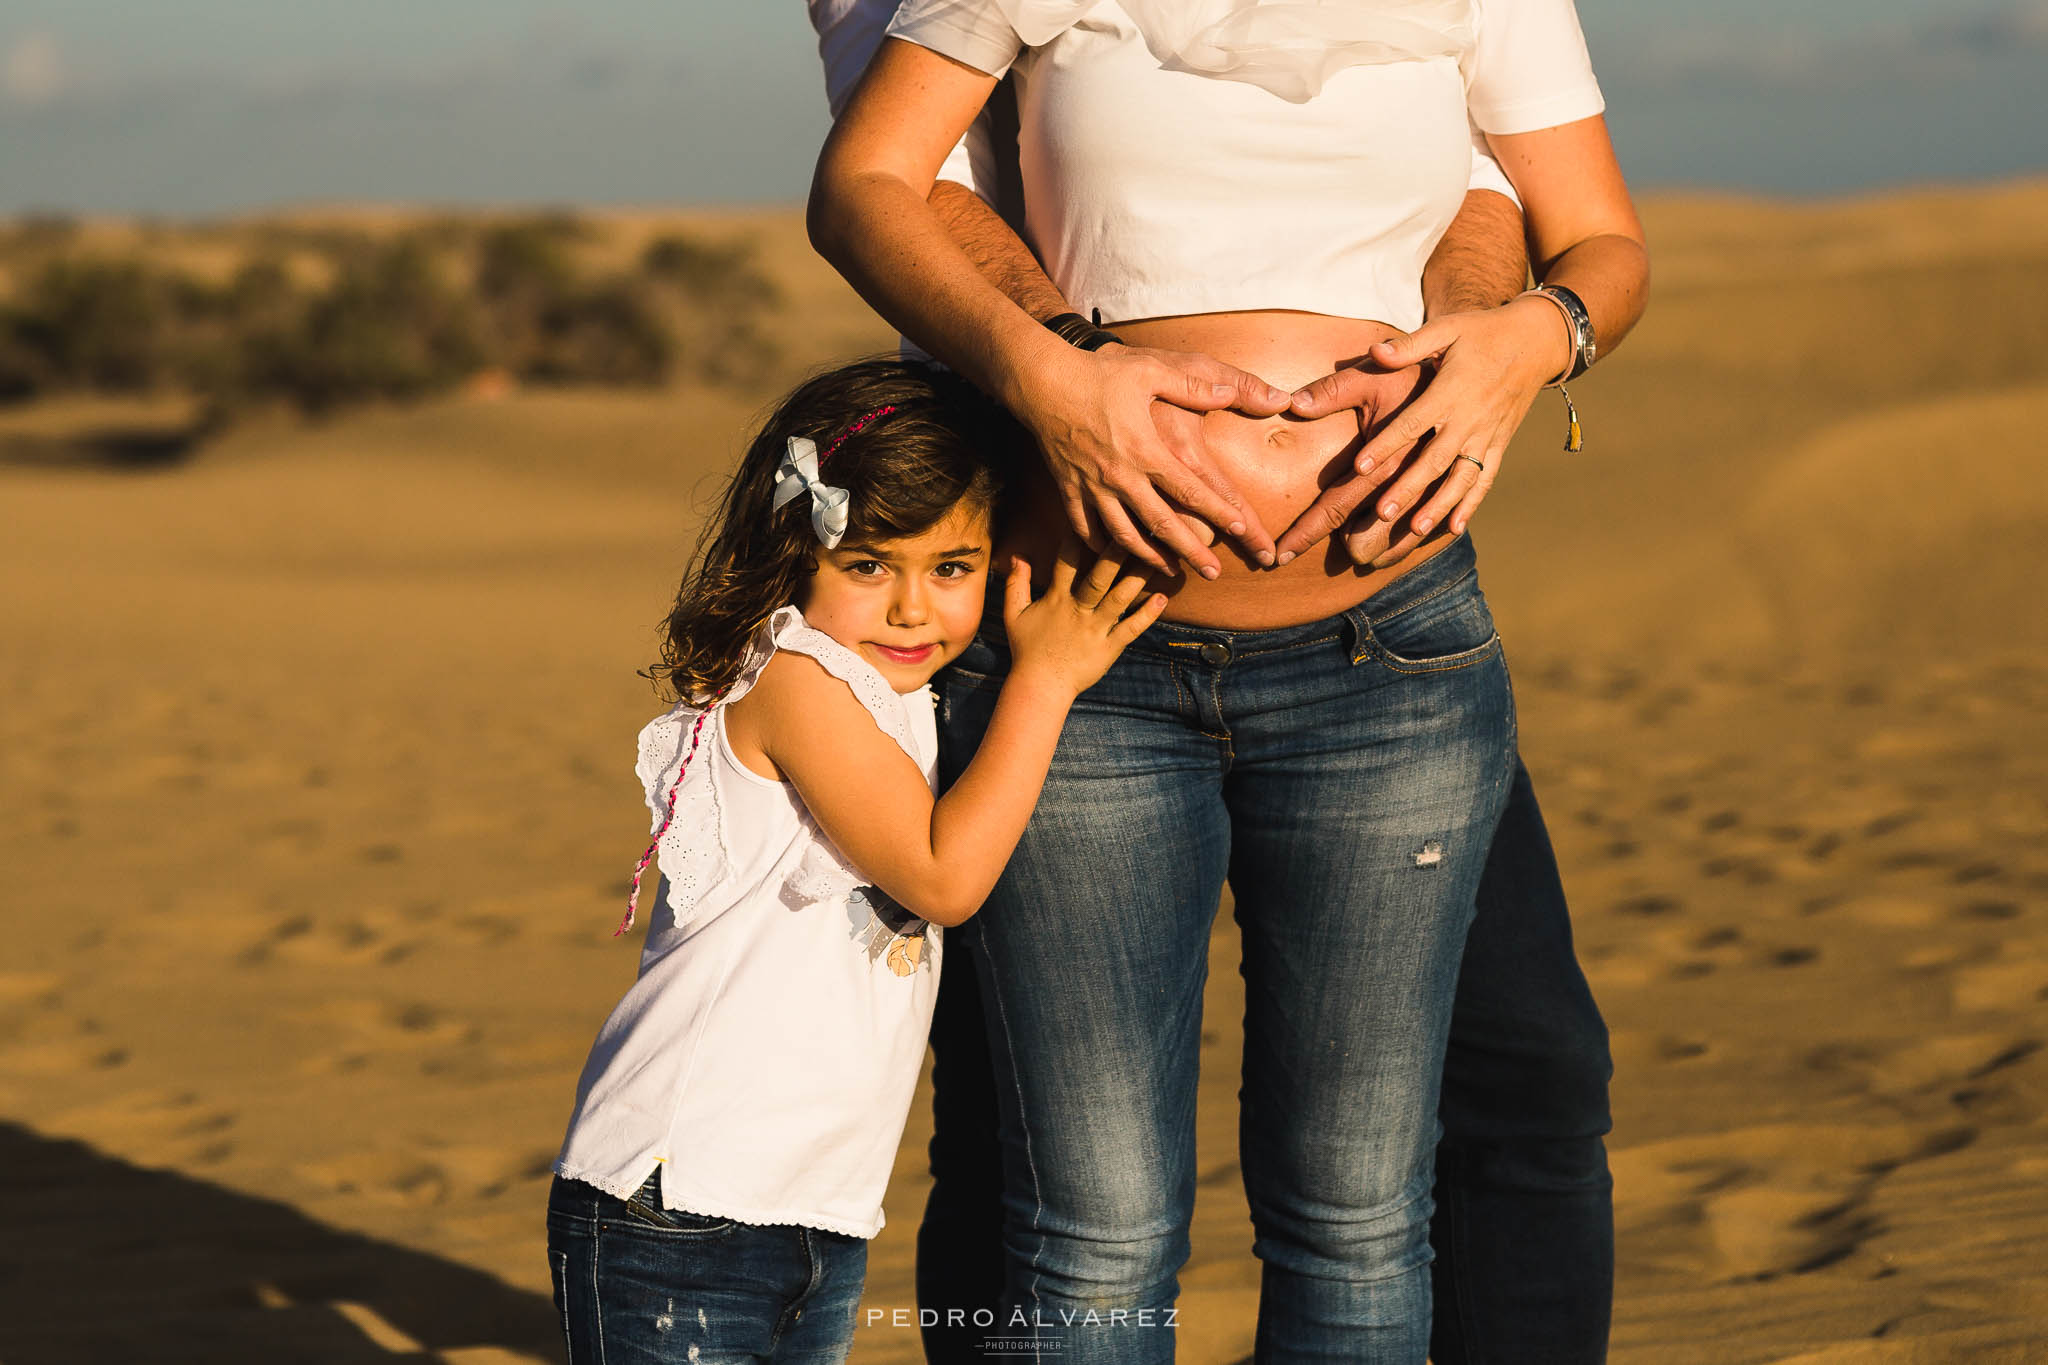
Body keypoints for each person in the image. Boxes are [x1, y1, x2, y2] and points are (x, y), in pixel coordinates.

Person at [808, 2, 1651, 1360]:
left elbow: (1592, 237)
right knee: (1084, 1226)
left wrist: (1532, 340)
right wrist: (1061, 374)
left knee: (1374, 1209)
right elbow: (876, 186)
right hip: (1082, 656)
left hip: (1384, 660)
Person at [543, 356, 1166, 1364]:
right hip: (681, 1199)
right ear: (795, 554)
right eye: (869, 566)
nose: (912, 610)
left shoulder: (892, 693)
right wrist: (1046, 679)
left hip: (812, 1212)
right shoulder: (798, 679)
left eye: (950, 570)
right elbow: (942, 879)